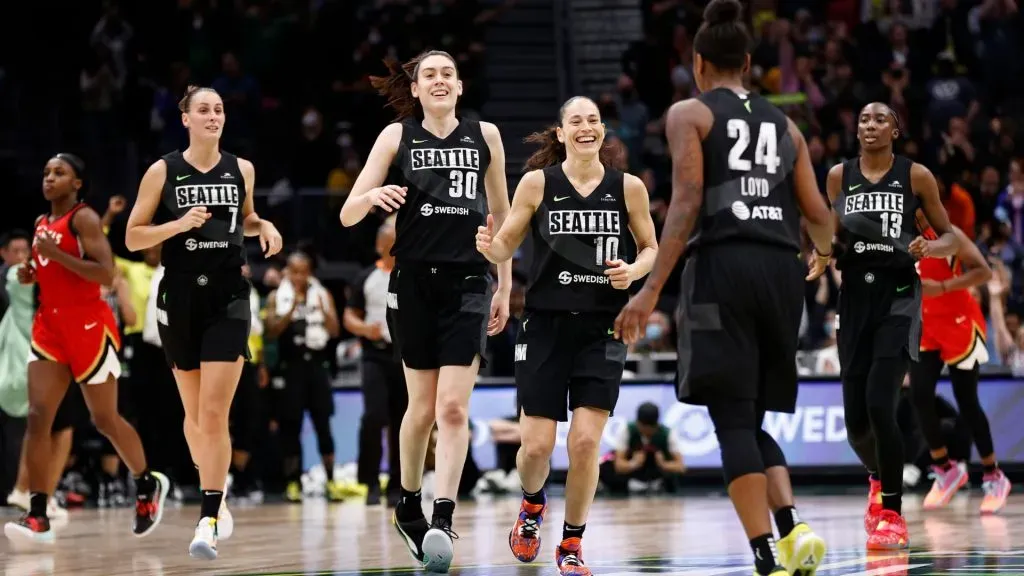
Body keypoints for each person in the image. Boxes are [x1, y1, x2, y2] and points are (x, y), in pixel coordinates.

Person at [613, 1, 835, 574]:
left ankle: (764, 554)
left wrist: (650, 290)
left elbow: (686, 202)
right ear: (750, 62)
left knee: (731, 421)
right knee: (752, 416)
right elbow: (816, 209)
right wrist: (826, 254)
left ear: (699, 62)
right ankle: (792, 528)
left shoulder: (690, 113)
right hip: (782, 273)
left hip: (723, 270)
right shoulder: (787, 126)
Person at [339, 50, 512, 573]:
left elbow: (503, 215)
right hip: (411, 281)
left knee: (453, 410)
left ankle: (443, 515)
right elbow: (348, 215)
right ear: (415, 89)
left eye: (447, 74)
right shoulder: (395, 137)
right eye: (429, 75)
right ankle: (408, 501)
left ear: (459, 86)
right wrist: (374, 195)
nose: (439, 81)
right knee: (419, 411)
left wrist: (504, 285)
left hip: (468, 281)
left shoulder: (486, 136)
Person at [475, 95, 657, 575]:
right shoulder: (537, 183)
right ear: (560, 133)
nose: (585, 127)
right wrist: (488, 247)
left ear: (602, 131)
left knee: (583, 444)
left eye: (593, 120)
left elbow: (651, 248)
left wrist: (633, 271)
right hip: (545, 325)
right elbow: (505, 245)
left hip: (603, 328)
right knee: (535, 447)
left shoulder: (629, 187)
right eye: (575, 120)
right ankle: (532, 505)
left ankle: (572, 543)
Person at [124, 86, 283, 560]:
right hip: (179, 295)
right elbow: (133, 236)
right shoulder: (163, 170)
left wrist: (266, 226)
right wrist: (178, 225)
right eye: (203, 110)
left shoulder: (242, 169)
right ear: (186, 119)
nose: (213, 116)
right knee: (194, 418)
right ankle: (217, 488)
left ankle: (208, 516)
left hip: (228, 295)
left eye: (218, 110)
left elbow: (246, 220)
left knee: (213, 413)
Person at [4, 154, 169, 545]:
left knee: (105, 419)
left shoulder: (85, 219)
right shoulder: (41, 224)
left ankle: (146, 483)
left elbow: (106, 273)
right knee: (39, 416)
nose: (49, 178)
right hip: (50, 327)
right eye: (45, 172)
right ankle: (38, 514)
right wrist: (34, 272)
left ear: (77, 184)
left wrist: (57, 256)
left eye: (59, 173)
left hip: (89, 328)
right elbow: (52, 273)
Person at [822, 100, 959, 549]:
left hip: (899, 296)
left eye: (880, 119)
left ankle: (894, 515)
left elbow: (952, 235)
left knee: (882, 405)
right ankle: (879, 480)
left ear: (895, 130)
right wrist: (819, 254)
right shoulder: (839, 177)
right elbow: (831, 235)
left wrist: (930, 248)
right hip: (854, 299)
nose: (870, 125)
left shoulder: (915, 175)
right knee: (856, 423)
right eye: (863, 118)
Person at [910, 221, 1012, 513]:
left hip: (959, 322)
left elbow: (983, 271)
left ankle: (994, 475)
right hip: (925, 325)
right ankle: (945, 468)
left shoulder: (948, 233)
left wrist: (942, 286)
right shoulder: (896, 231)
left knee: (966, 401)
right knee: (919, 396)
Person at [264, 251, 342, 502]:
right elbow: (271, 331)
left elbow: (335, 330)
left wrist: (325, 311)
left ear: (310, 272)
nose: (298, 276)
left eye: (303, 271)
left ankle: (331, 481)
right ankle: (293, 482)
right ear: (287, 272)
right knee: (291, 427)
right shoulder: (277, 297)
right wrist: (292, 310)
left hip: (317, 366)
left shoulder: (323, 294)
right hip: (292, 366)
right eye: (293, 271)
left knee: (324, 426)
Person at [344, 217, 408, 507]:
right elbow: (349, 315)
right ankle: (368, 481)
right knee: (375, 416)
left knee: (402, 422)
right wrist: (362, 329)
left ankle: (398, 485)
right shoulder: (365, 277)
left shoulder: (411, 275)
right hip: (375, 355)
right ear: (382, 243)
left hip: (406, 355)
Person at [599, 402, 686, 494]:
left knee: (672, 477)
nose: (647, 431)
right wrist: (633, 463)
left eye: (651, 428)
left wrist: (663, 464)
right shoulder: (627, 430)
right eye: (644, 427)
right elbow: (619, 465)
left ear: (656, 424)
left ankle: (656, 485)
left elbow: (680, 467)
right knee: (607, 467)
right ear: (638, 423)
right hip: (633, 472)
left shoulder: (668, 434)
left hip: (657, 472)